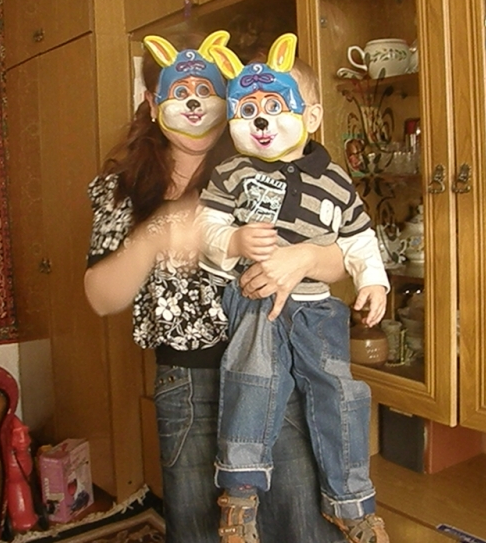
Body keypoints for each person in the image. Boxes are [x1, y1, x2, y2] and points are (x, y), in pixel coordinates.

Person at [83, 30, 348, 543]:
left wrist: (304, 258)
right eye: (181, 91)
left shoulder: (271, 157)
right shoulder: (122, 187)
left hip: (278, 366)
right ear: (152, 102)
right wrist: (157, 234)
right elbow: (100, 296)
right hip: (189, 384)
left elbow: (346, 254)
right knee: (203, 529)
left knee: (301, 523)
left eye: (210, 90)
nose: (196, 104)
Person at [199, 34, 390, 543]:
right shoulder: (232, 172)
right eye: (249, 110)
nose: (261, 121)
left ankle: (352, 502)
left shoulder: (336, 181)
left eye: (275, 107)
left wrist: (373, 280)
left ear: (312, 115)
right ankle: (239, 497)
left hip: (317, 308)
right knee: (253, 382)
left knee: (341, 394)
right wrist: (234, 240)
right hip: (255, 300)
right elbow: (206, 229)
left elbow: (359, 239)